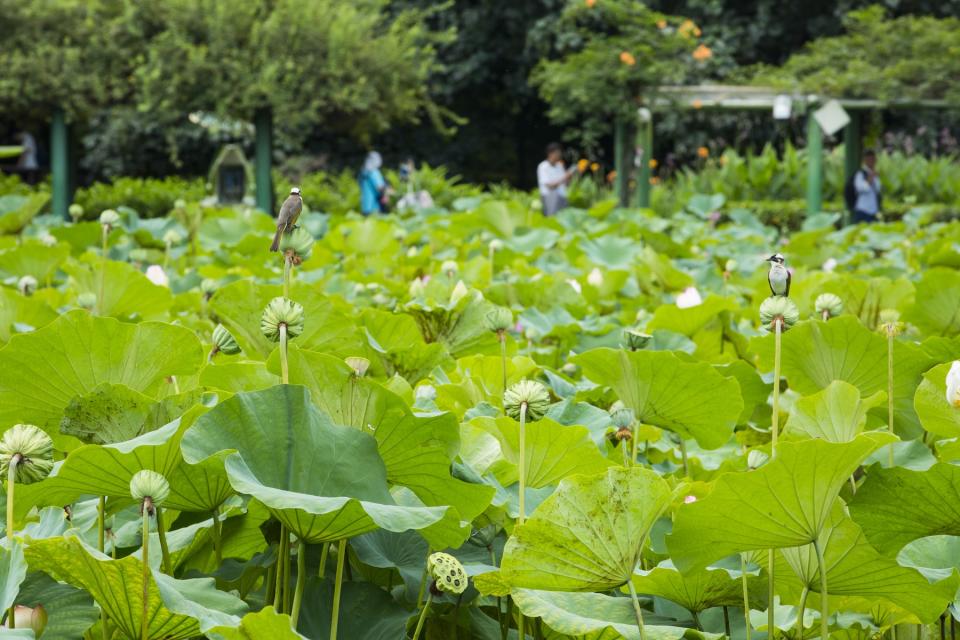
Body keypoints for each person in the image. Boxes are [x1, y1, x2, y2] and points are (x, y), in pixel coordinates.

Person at [537, 142, 574, 216]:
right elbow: (550, 186)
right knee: (552, 219)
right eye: (557, 153)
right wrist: (565, 177)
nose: (559, 155)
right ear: (550, 153)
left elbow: (566, 184)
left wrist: (569, 177)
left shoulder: (560, 165)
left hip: (562, 196)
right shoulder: (543, 166)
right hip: (549, 197)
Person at [852, 150, 882, 223]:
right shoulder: (860, 174)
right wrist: (870, 178)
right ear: (865, 160)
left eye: (873, 159)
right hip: (863, 210)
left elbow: (878, 189)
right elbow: (860, 189)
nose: (872, 161)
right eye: (869, 159)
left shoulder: (875, 174)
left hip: (873, 211)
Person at [359, 151, 392, 215]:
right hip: (374, 207)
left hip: (365, 206)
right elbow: (380, 188)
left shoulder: (363, 172)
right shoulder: (373, 172)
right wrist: (390, 191)